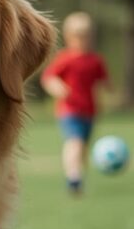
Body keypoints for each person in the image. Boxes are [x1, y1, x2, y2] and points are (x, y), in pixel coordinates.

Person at [40, 12, 112, 197]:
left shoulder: (95, 60)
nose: (83, 41)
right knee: (75, 143)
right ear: (69, 37)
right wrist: (58, 88)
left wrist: (107, 92)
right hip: (69, 110)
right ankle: (73, 178)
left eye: (87, 37)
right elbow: (48, 77)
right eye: (78, 37)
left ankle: (78, 177)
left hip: (89, 111)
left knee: (84, 147)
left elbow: (103, 82)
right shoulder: (65, 58)